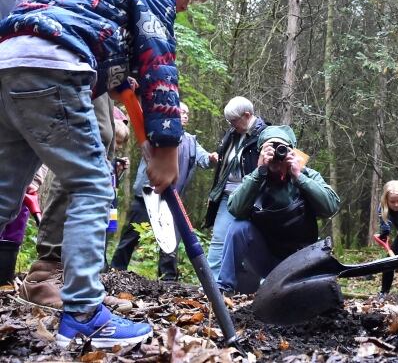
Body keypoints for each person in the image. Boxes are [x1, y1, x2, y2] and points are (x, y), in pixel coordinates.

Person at [20, 0, 255, 309]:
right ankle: (50, 269)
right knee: (93, 148)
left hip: (48, 39)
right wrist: (165, 141)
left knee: (40, 150)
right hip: (72, 38)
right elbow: (155, 50)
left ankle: (58, 268)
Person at [0, 0, 215, 347]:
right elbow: (159, 67)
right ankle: (83, 314)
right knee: (92, 184)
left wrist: (123, 88)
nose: (184, 6)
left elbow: (108, 51)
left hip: (9, 60)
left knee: (4, 192)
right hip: (55, 67)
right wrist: (168, 146)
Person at [216, 125, 340, 295]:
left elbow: (330, 207)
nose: (276, 155)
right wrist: (259, 172)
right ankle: (223, 289)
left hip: (300, 260)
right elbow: (235, 209)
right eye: (269, 150)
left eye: (281, 149)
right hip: (266, 259)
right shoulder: (255, 179)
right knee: (239, 227)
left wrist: (299, 177)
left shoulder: (307, 175)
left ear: (292, 153)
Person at [110, 102, 217, 280]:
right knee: (131, 236)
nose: (185, 115)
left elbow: (204, 159)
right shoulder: (158, 133)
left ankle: (168, 280)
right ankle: (116, 271)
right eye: (182, 112)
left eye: (187, 113)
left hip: (172, 198)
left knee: (171, 241)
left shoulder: (191, 141)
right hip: (147, 194)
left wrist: (213, 158)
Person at [205, 97, 267, 277]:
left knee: (259, 242)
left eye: (234, 121)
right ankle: (212, 286)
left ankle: (264, 288)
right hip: (227, 195)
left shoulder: (266, 134)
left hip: (253, 197)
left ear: (247, 115)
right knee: (218, 239)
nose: (232, 125)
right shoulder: (232, 134)